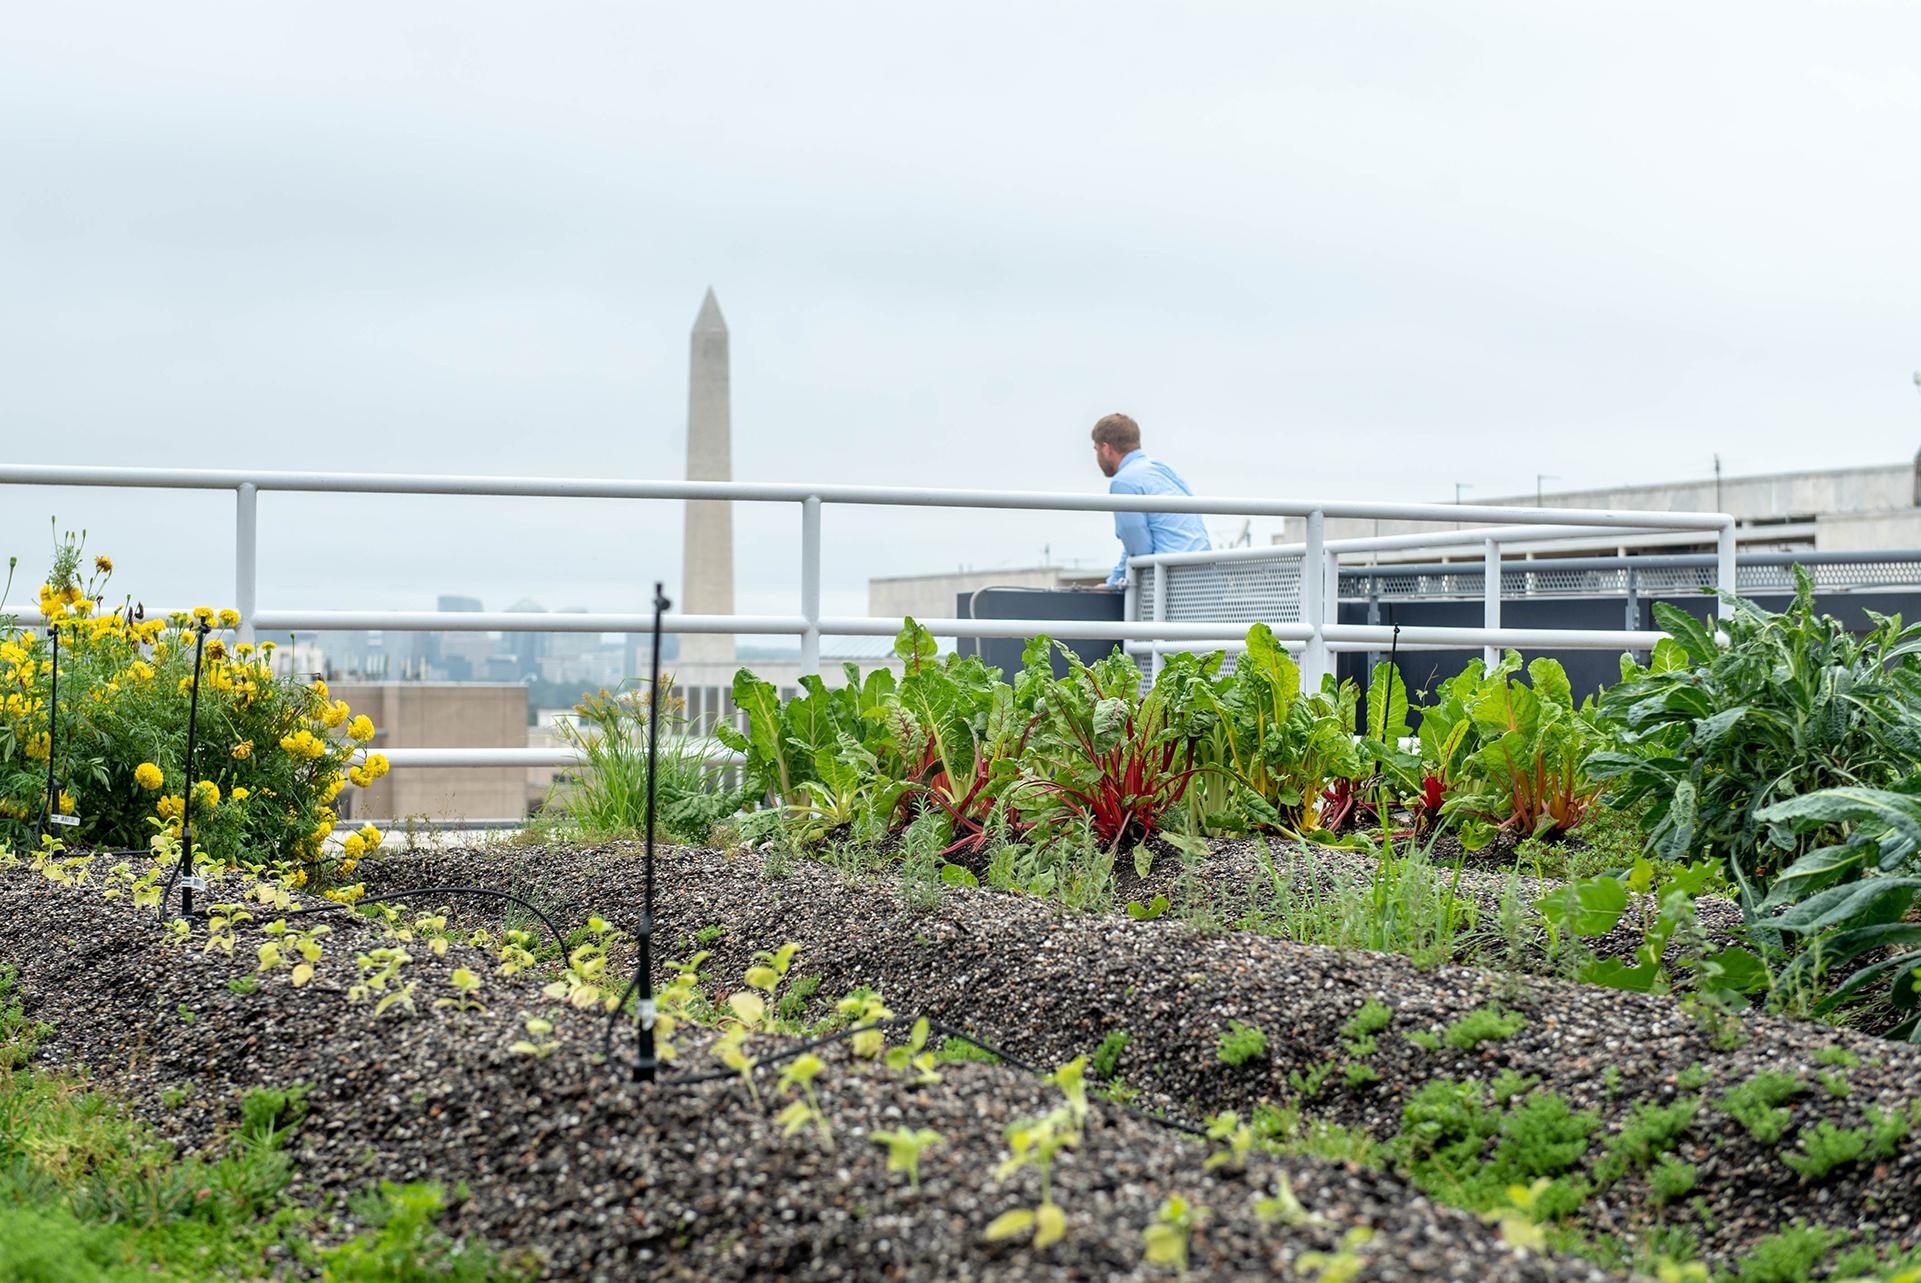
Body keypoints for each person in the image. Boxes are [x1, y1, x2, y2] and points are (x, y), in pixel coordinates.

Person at [1091, 413, 1210, 588]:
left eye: (1096, 449)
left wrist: (1111, 585)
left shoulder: (1123, 481)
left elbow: (1139, 550)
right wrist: (1114, 580)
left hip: (1173, 584)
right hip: (1206, 577)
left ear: (1106, 448)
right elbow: (1138, 540)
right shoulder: (1162, 469)